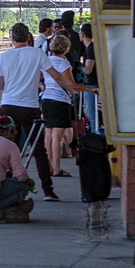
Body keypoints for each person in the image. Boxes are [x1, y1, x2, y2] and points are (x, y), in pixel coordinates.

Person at [0, 22, 79, 202]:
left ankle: (5, 184)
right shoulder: (37, 53)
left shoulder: (3, 57)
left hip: (8, 106)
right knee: (39, 150)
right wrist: (72, 91)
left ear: (13, 38)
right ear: (28, 38)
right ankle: (48, 191)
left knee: (8, 147)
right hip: (29, 107)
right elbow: (56, 76)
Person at [41, 33, 97, 177]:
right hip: (60, 100)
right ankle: (57, 168)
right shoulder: (64, 64)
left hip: (46, 99)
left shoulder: (46, 61)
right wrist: (90, 88)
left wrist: (43, 87)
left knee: (48, 134)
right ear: (66, 48)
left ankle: (48, 166)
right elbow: (71, 85)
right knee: (57, 137)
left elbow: (39, 79)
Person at [80, 23, 100, 134]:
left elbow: (88, 70)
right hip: (95, 84)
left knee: (92, 114)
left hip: (91, 85)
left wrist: (79, 67)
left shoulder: (90, 49)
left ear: (82, 35)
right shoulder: (94, 47)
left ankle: (94, 135)